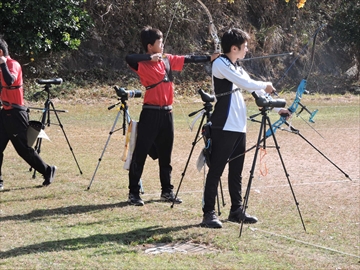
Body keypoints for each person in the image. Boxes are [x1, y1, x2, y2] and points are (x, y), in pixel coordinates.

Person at [200, 28, 291, 228]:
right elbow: (247, 83)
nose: (247, 49)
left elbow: (256, 91)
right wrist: (264, 83)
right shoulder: (220, 64)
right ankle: (208, 213)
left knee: (236, 171)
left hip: (239, 127)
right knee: (216, 170)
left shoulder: (237, 67)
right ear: (234, 48)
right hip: (224, 125)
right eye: (245, 46)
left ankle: (236, 210)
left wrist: (278, 109)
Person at [125, 26, 219, 206]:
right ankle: (133, 193)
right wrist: (149, 58)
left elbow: (188, 58)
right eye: (159, 43)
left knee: (166, 154)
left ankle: (166, 191)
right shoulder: (142, 63)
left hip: (167, 113)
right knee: (141, 153)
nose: (163, 45)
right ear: (150, 46)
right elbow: (128, 58)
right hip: (150, 113)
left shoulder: (167, 60)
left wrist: (209, 57)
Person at [0, 37, 56, 190]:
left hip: (16, 114)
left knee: (23, 150)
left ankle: (47, 170)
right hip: (4, 113)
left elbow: (10, 81)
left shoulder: (13, 65)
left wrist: (3, 63)